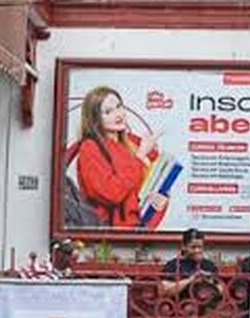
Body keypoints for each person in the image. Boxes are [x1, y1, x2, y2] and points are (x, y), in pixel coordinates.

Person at [73, 86, 166, 229]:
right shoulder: (90, 148)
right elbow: (111, 193)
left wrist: (154, 200)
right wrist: (140, 156)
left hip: (140, 228)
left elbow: (138, 190)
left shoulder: (132, 142)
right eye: (108, 112)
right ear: (95, 119)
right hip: (110, 234)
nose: (118, 114)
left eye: (119, 106)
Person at [161, 228, 218, 298]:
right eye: (193, 247)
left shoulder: (209, 265)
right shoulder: (173, 265)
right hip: (180, 306)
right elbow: (164, 290)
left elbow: (221, 289)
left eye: (200, 247)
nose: (197, 250)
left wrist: (208, 282)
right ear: (183, 247)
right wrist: (190, 280)